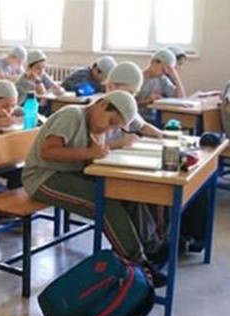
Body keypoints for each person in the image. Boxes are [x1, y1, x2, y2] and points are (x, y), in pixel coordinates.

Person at [22, 91, 166, 286]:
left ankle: (151, 247)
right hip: (43, 177)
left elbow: (91, 157)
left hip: (70, 174)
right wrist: (91, 151)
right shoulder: (71, 115)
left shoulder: (94, 126)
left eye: (115, 127)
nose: (109, 128)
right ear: (102, 104)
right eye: (111, 122)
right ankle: (138, 263)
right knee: (105, 205)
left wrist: (99, 147)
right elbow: (48, 152)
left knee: (126, 193)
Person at [136, 49, 186, 122]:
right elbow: (127, 105)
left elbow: (181, 98)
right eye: (163, 68)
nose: (165, 71)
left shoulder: (162, 79)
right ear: (153, 62)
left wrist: (175, 76)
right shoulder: (137, 78)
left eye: (168, 69)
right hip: (138, 119)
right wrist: (147, 101)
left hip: (155, 118)